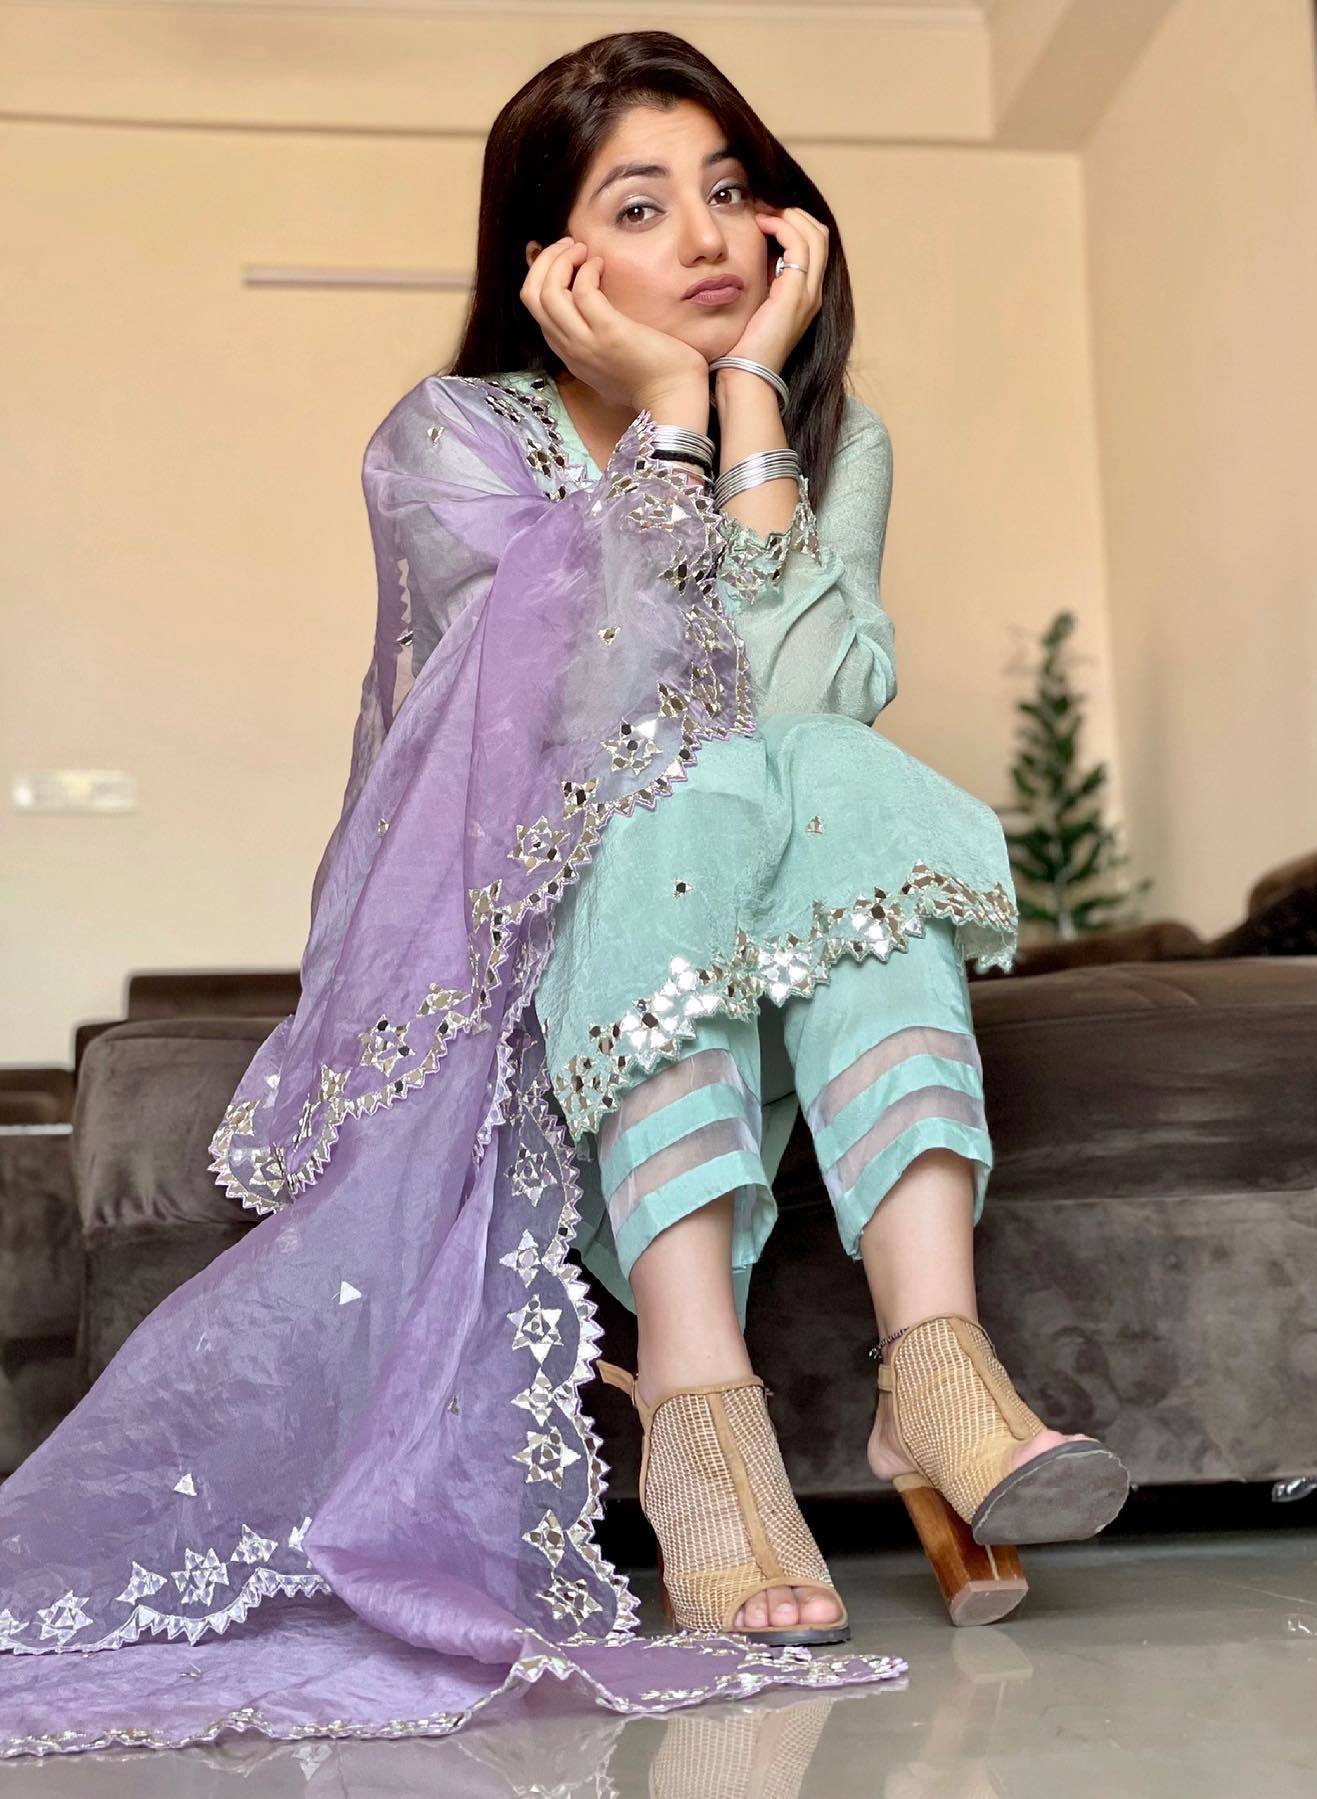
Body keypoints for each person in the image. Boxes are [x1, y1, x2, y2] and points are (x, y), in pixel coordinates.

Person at [0, 29, 1126, 1761]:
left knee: (830, 771)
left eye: (732, 190)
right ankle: (696, 1400)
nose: (710, 235)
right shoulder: (453, 440)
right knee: (676, 787)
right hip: (544, 960)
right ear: (553, 259)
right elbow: (564, 726)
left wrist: (753, 405)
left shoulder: (838, 438)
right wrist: (667, 423)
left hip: (766, 936)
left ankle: (939, 1365)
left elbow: (814, 701)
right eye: (643, 203)